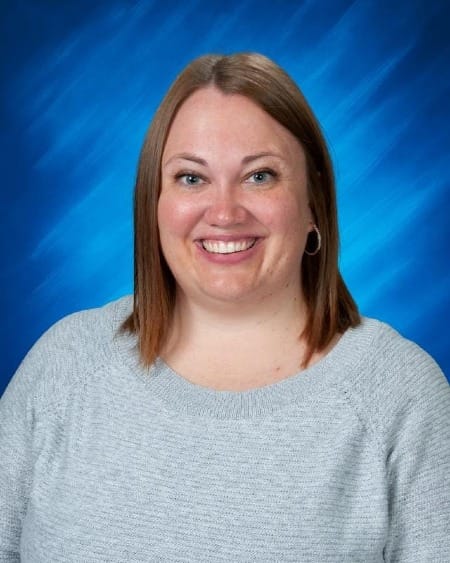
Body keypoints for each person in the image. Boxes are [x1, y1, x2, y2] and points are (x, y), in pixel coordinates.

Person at [1, 53, 449, 562]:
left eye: (260, 176)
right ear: (154, 203)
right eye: (192, 178)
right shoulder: (64, 366)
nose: (224, 213)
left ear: (313, 203)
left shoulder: (399, 397)